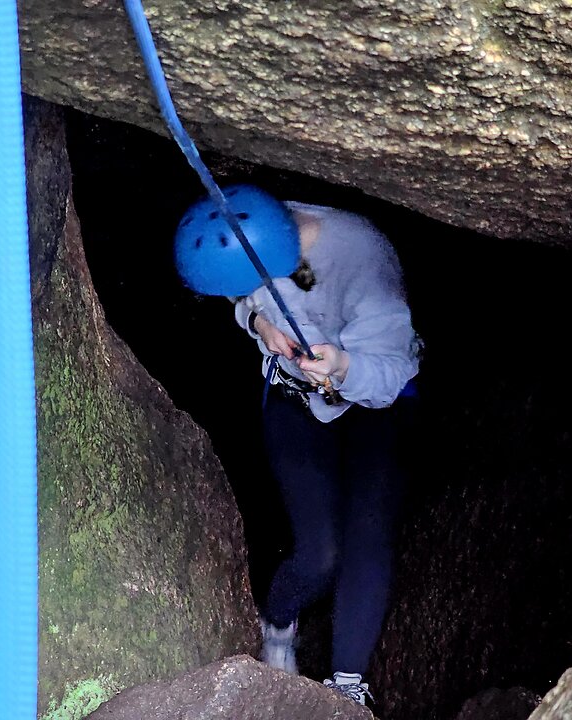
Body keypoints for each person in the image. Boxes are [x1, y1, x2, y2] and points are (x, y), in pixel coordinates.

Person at [174, 184, 423, 707]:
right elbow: (243, 295)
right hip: (294, 395)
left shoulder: (364, 261)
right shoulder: (249, 228)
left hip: (376, 394)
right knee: (319, 551)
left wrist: (343, 367)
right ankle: (279, 625)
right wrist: (259, 321)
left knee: (366, 537)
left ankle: (348, 686)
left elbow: (391, 370)